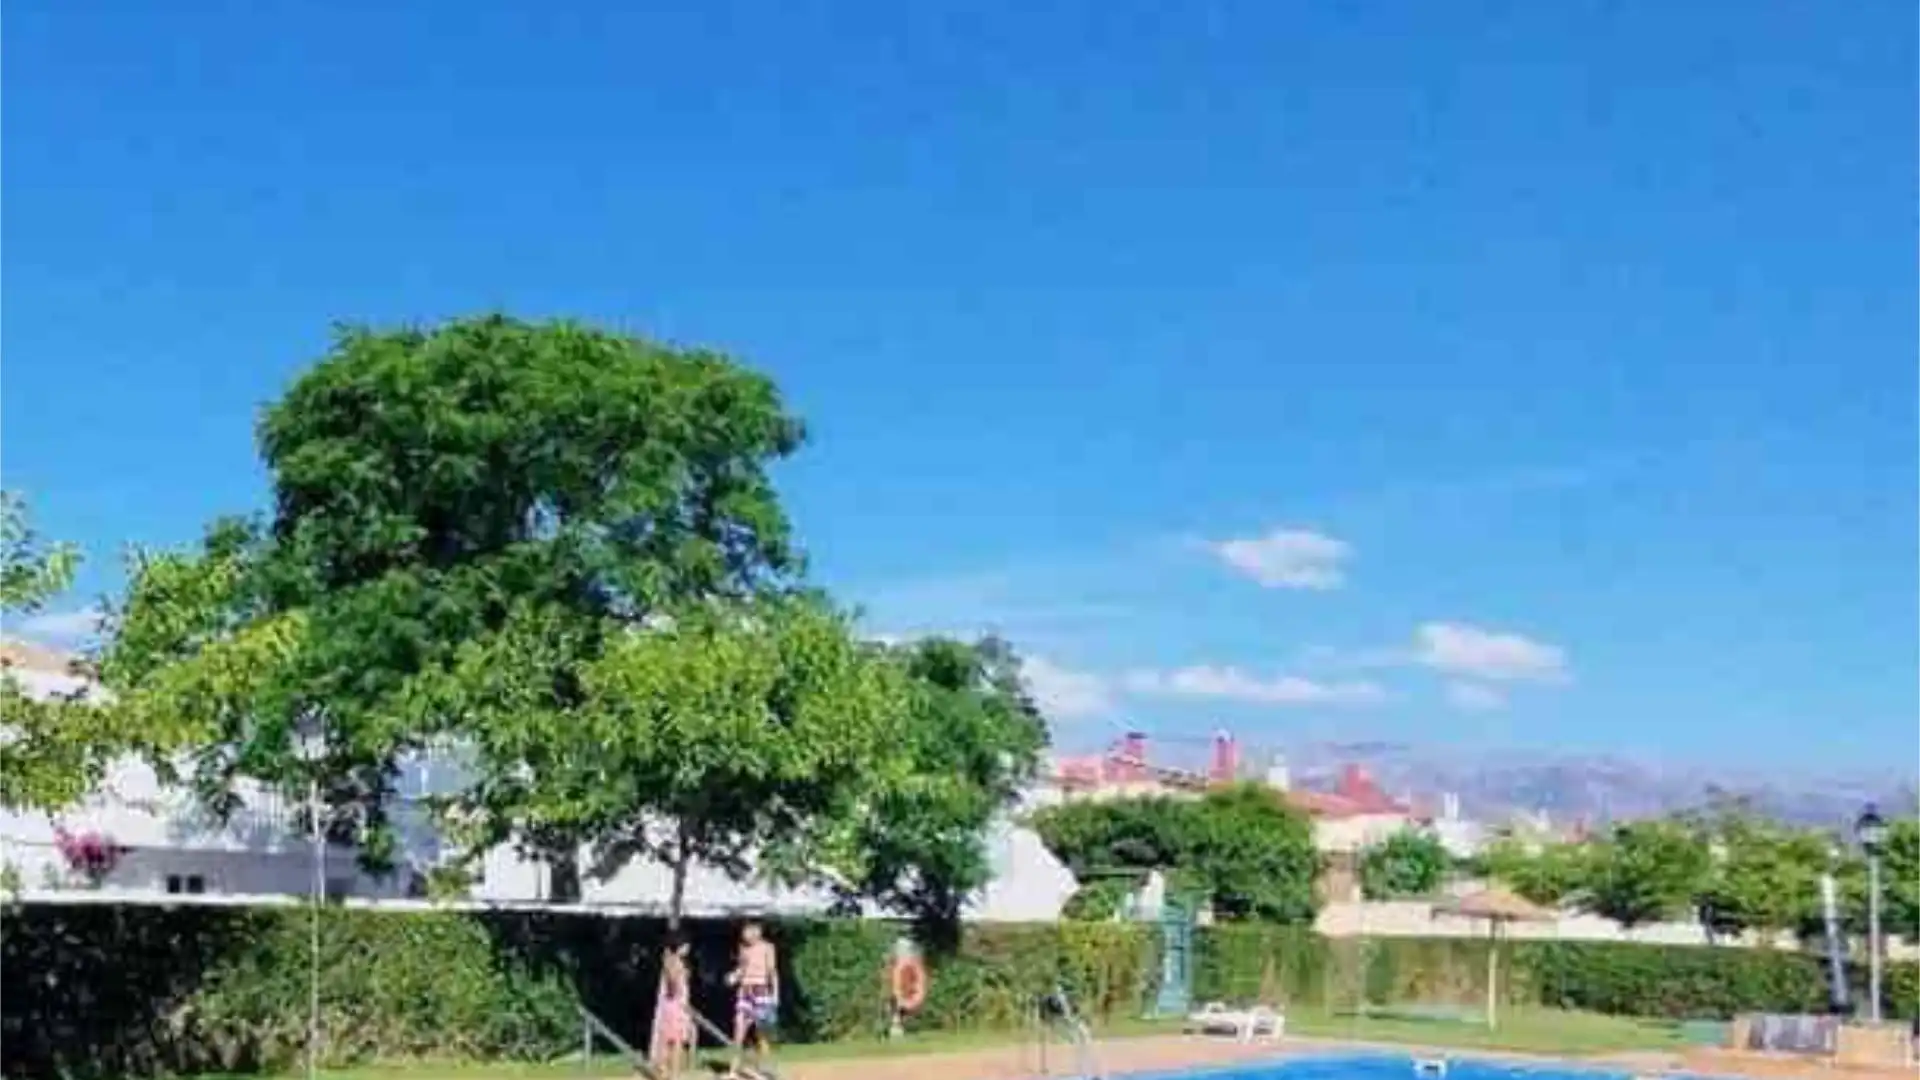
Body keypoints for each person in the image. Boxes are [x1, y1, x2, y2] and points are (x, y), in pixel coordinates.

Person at [727, 920, 779, 1078]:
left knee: (761, 1033)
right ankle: (733, 1070)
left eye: (748, 931)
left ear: (757, 931)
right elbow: (742, 968)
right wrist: (734, 976)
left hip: (761, 991)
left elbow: (772, 971)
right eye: (744, 932)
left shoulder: (768, 947)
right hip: (745, 990)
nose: (745, 935)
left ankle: (763, 1069)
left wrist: (775, 994)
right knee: (739, 1030)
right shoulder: (743, 948)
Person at [650, 936, 694, 1077]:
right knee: (675, 1041)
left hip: (675, 1005)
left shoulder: (673, 961)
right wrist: (678, 980)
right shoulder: (673, 961)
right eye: (686, 946)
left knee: (669, 1040)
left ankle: (665, 1070)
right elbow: (672, 982)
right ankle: (672, 1072)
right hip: (675, 1005)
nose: (688, 949)